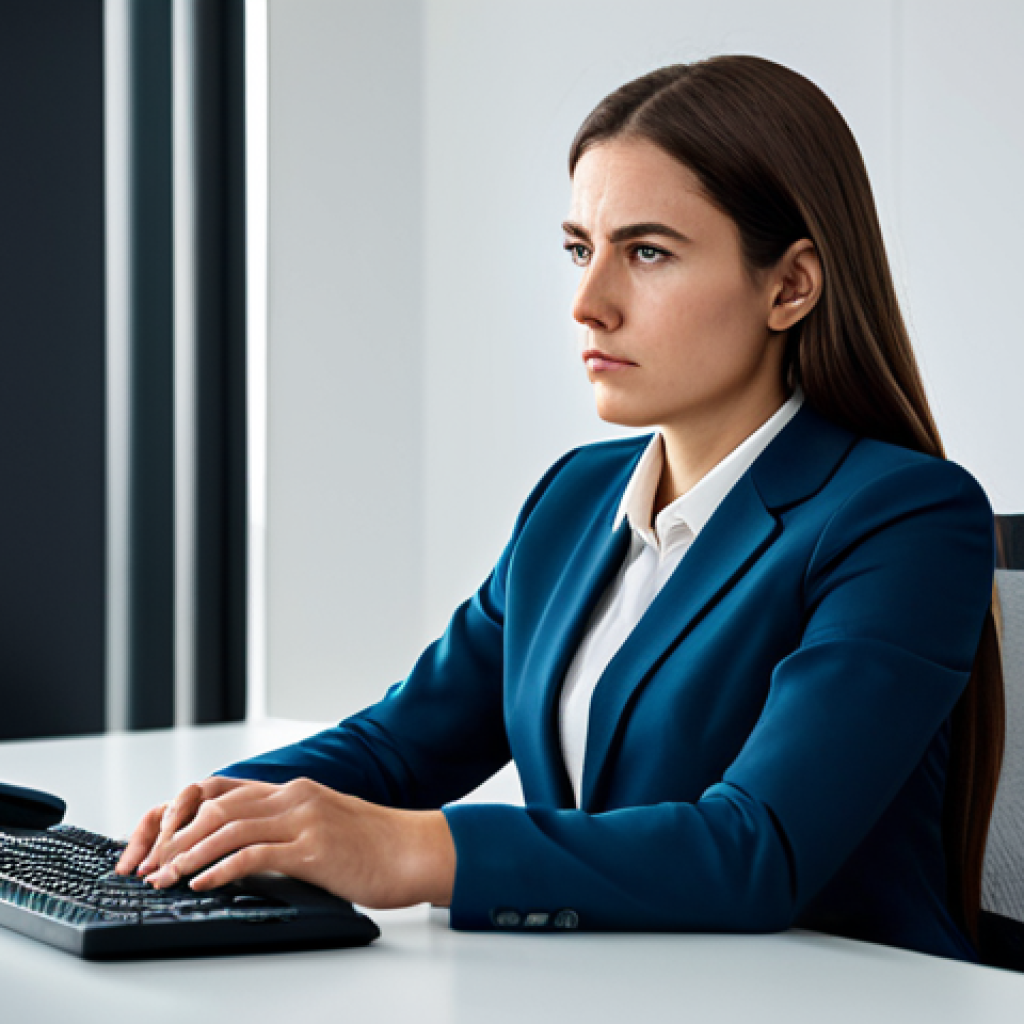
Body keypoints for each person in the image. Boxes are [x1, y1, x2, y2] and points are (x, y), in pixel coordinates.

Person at [116, 55, 1004, 964]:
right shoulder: (577, 497)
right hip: (611, 986)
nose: (588, 304)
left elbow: (756, 850)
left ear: (790, 286)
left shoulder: (906, 518)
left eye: (647, 253)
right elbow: (399, 749)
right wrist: (208, 818)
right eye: (581, 249)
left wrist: (415, 850)